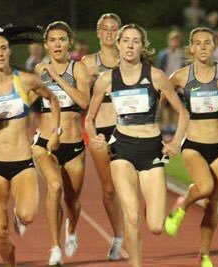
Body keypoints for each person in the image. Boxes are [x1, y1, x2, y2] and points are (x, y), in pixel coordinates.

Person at [85, 23, 189, 267]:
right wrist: (95, 136)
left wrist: (176, 142)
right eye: (126, 41)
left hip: (151, 148)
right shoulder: (106, 79)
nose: (130, 45)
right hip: (122, 147)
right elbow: (89, 118)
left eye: (136, 41)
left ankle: (161, 203)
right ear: (118, 44)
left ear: (142, 46)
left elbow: (183, 113)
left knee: (154, 226)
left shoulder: (155, 76)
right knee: (131, 217)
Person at [0, 25, 61, 266]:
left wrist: (56, 131)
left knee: (27, 215)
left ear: (9, 51)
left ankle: (19, 216)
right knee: (0, 231)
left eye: (3, 48)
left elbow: (52, 98)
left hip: (22, 162)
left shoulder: (25, 81)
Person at [162, 27, 218, 267]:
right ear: (191, 48)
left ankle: (204, 254)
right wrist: (178, 113)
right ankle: (182, 205)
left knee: (213, 204)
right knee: (204, 186)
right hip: (194, 143)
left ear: (215, 47)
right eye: (198, 43)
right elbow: (161, 98)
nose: (203, 47)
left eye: (207, 43)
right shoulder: (181, 76)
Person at [32, 21, 91, 266]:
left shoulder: (78, 69)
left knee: (72, 200)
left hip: (74, 144)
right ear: (46, 45)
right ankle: (55, 247)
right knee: (54, 187)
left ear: (69, 43)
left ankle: (72, 228)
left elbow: (84, 102)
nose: (57, 44)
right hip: (46, 142)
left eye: (62, 39)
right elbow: (29, 99)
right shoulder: (38, 70)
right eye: (53, 40)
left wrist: (57, 77)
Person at [80, 13, 124, 261]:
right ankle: (118, 236)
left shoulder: (129, 57)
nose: (109, 32)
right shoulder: (87, 63)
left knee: (128, 186)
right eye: (104, 29)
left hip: (126, 129)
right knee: (108, 190)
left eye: (113, 28)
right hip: (99, 130)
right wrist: (92, 83)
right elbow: (81, 100)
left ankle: (132, 228)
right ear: (98, 33)